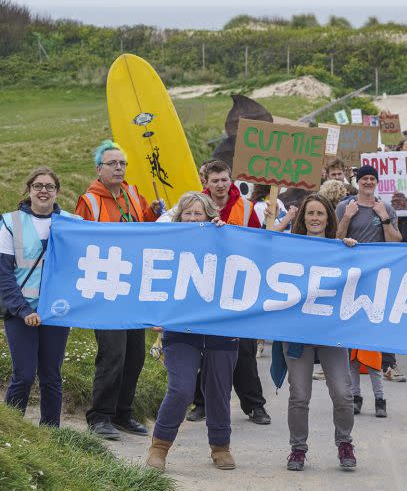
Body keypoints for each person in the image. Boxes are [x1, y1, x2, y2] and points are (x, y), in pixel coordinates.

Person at [145, 192, 237, 472]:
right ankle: (159, 448)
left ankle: (220, 447)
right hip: (181, 329)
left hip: (222, 328)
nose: (194, 219)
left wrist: (228, 237)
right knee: (182, 389)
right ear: (179, 216)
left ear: (211, 218)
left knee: (219, 391)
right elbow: (152, 277)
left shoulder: (227, 241)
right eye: (188, 213)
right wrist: (156, 314)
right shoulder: (168, 245)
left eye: (199, 214)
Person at [76, 140, 160, 440]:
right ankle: (99, 416)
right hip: (107, 287)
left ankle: (123, 413)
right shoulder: (89, 200)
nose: (119, 168)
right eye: (112, 163)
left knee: (135, 355)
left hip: (133, 286)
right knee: (113, 354)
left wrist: (152, 212)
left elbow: (143, 227)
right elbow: (81, 242)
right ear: (99, 169)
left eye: (122, 163)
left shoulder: (133, 193)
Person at [269, 193, 359, 471]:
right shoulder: (290, 247)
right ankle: (297, 449)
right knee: (299, 395)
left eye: (320, 213)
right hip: (297, 334)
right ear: (303, 218)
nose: (315, 218)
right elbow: (262, 245)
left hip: (332, 332)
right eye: (310, 213)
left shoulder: (340, 248)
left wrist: (352, 250)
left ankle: (344, 442)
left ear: (328, 218)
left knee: (344, 393)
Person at [187, 160, 272, 426]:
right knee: (203, 348)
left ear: (230, 179)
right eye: (215, 181)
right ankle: (201, 404)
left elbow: (260, 242)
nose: (221, 185)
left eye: (224, 179)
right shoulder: (195, 206)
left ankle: (254, 405)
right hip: (204, 285)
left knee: (243, 349)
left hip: (237, 286)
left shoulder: (245, 208)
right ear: (207, 183)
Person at [1, 168, 80, 427]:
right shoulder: (9, 222)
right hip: (20, 311)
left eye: (49, 186)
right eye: (38, 186)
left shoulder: (72, 222)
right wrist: (24, 311)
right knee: (23, 375)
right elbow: (4, 275)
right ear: (29, 190)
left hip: (56, 312)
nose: (43, 190)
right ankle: (10, 430)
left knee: (51, 376)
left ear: (57, 191)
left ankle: (51, 434)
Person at [336, 165, 402, 416]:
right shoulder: (345, 207)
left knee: (373, 341)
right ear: (357, 181)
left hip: (378, 281)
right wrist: (346, 217)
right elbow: (336, 237)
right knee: (352, 343)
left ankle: (380, 398)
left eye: (372, 179)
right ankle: (355, 395)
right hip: (352, 280)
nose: (368, 182)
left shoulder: (386, 208)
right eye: (364, 178)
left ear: (376, 182)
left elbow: (395, 241)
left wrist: (384, 217)